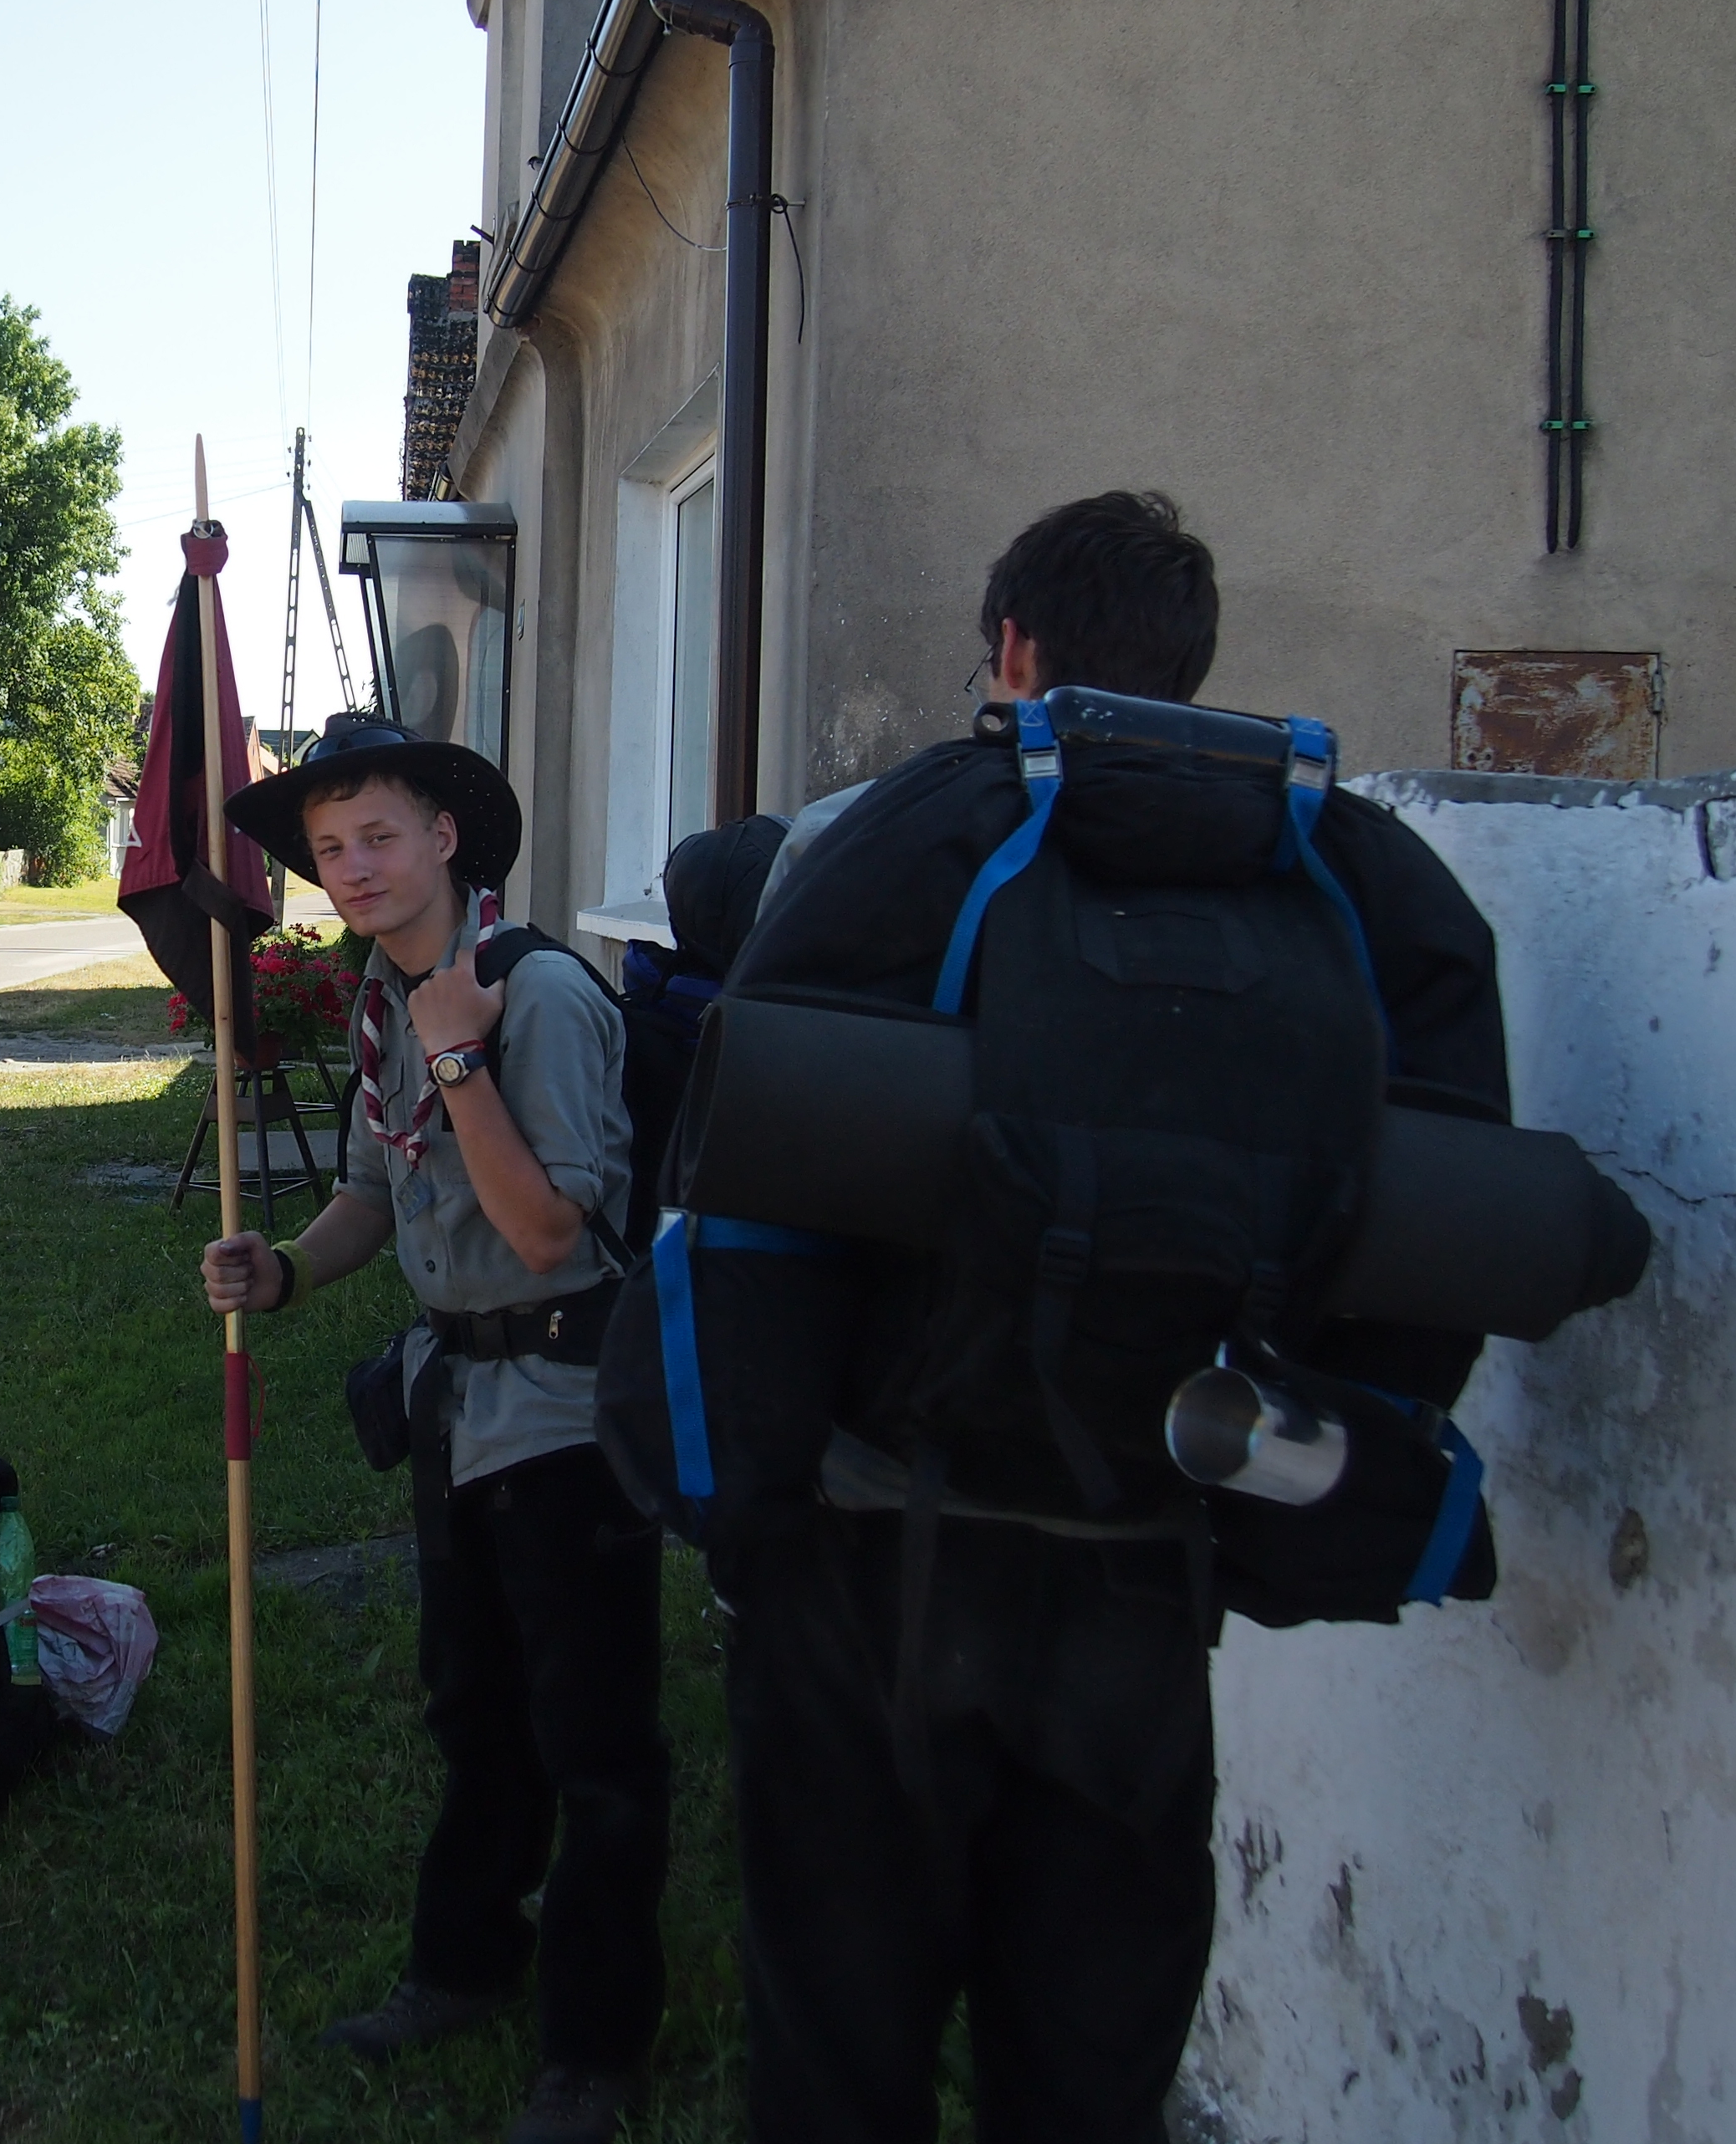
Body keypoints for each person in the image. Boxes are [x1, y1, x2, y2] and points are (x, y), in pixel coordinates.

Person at [705, 492, 1513, 2140]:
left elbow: (745, 1186)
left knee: (836, 2069)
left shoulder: (909, 831)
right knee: (1089, 2081)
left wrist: (740, 1501)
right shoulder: (1349, 872)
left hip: (875, 1563)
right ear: (1189, 661)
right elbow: (1438, 1238)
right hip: (1144, 1569)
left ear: (1011, 646)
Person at [207, 715, 661, 2144]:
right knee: (473, 1711)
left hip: (566, 1415)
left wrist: (461, 1058)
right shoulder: (382, 999)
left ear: (446, 837)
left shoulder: (536, 997)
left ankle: (592, 2044)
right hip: (457, 1407)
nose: (351, 867)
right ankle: (465, 1964)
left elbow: (547, 1234)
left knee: (594, 1743)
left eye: (378, 835)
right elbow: (369, 1189)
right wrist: (285, 1270)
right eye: (328, 847)